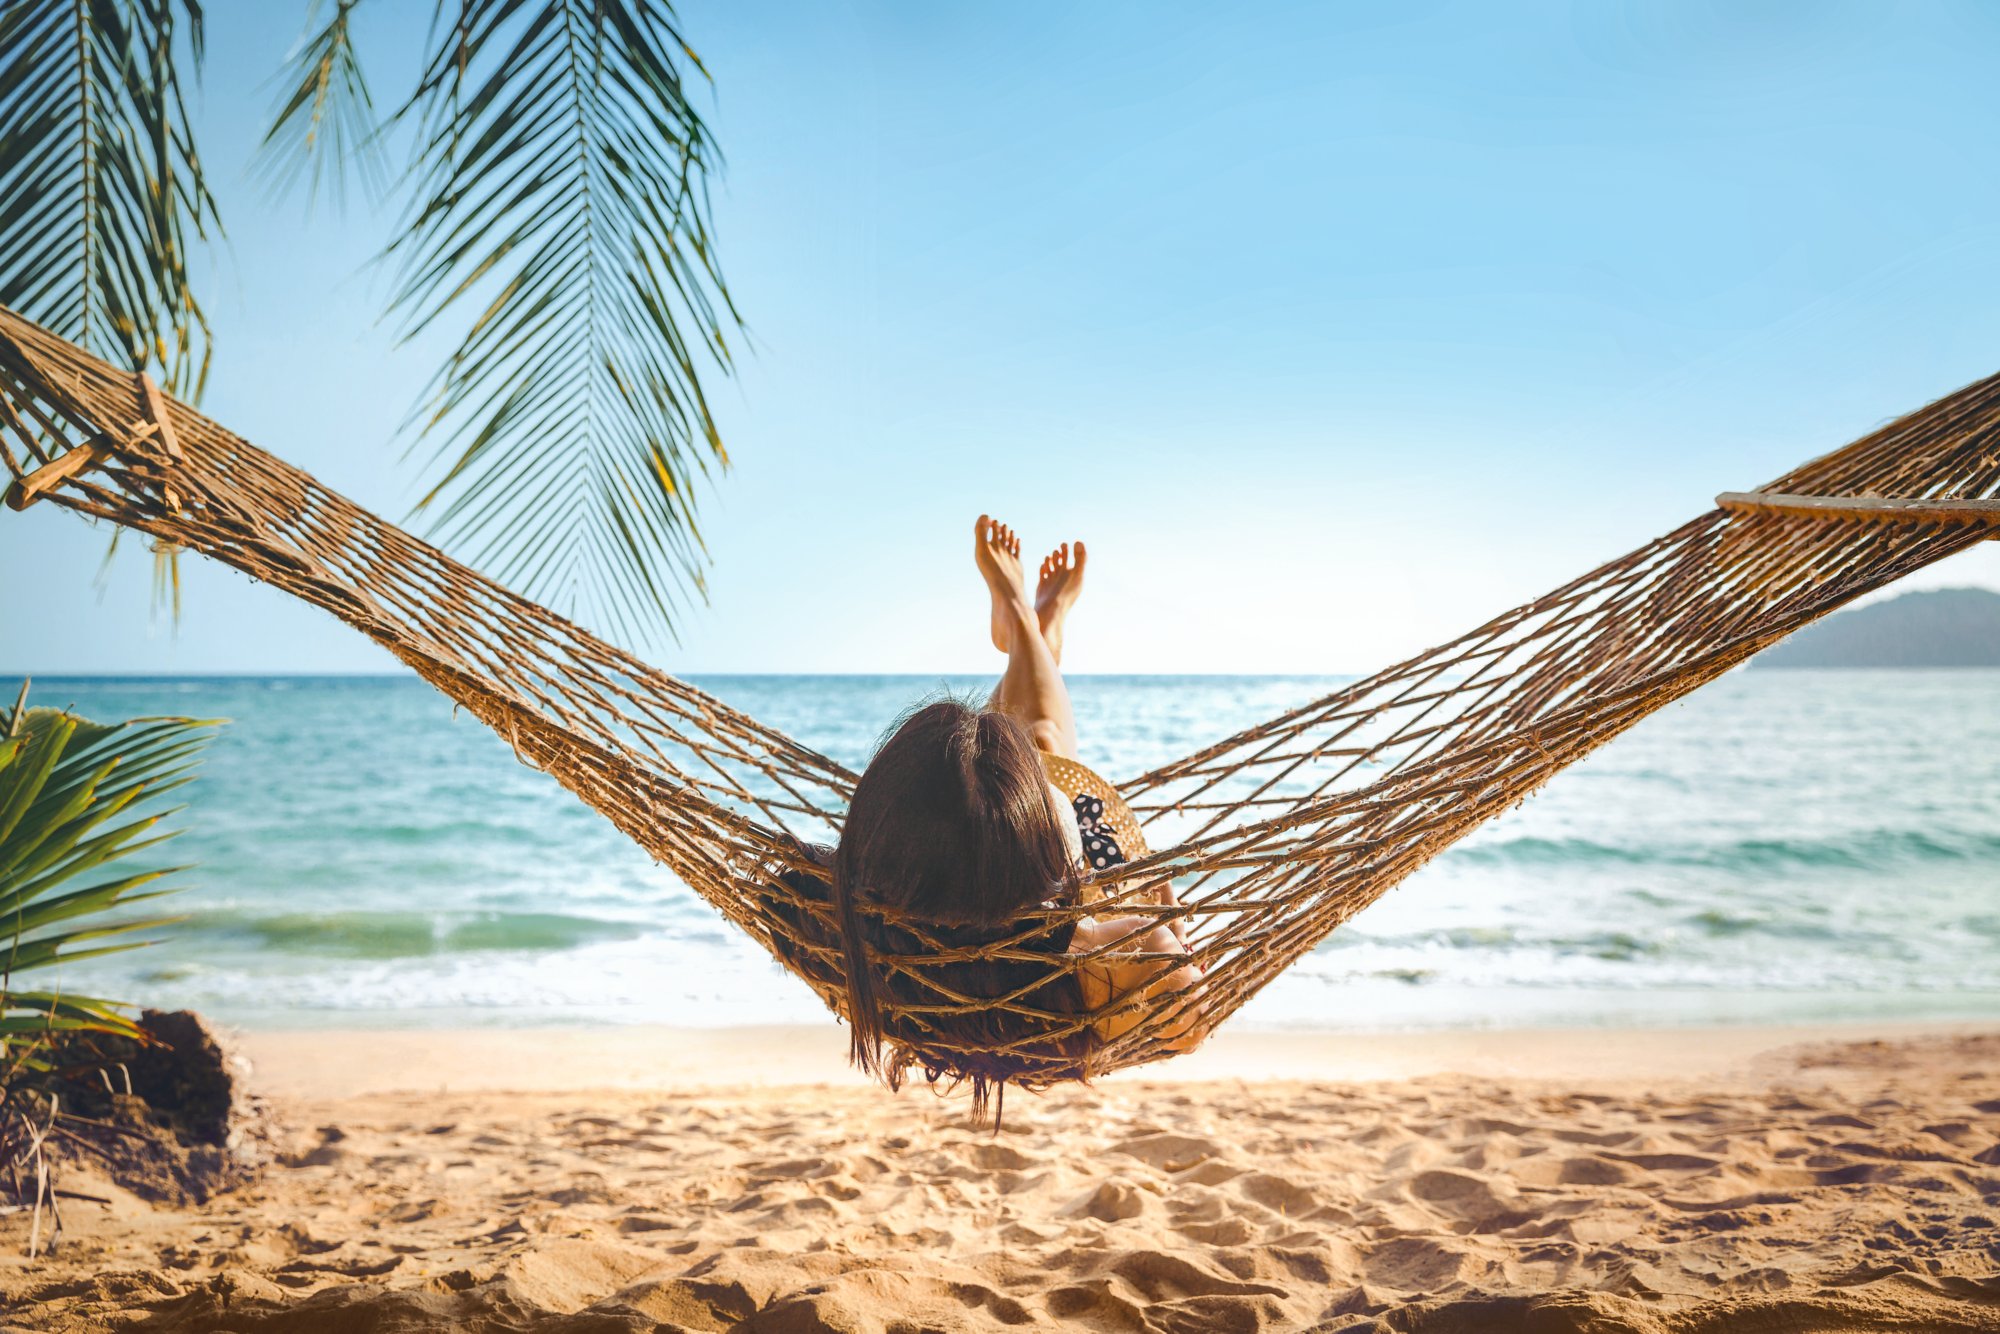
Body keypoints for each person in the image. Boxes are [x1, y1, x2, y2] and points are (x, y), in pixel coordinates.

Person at [831, 516, 1204, 1085]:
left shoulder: (866, 925)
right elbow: (1188, 1024)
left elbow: (779, 892)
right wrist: (1164, 929)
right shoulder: (1099, 948)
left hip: (981, 886)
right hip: (1068, 890)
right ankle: (1025, 624)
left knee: (990, 758)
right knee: (1042, 739)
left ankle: (1030, 635)